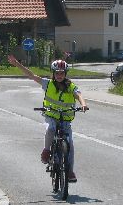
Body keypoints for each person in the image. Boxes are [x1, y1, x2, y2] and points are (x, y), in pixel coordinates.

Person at [7, 54, 88, 183]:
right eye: (57, 73)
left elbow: (78, 95)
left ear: (65, 74)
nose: (59, 76)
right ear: (53, 74)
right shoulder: (48, 84)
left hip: (65, 118)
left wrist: (83, 104)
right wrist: (17, 64)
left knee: (70, 145)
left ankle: (70, 171)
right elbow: (32, 75)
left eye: (62, 73)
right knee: (51, 128)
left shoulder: (70, 86)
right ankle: (46, 150)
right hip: (51, 116)